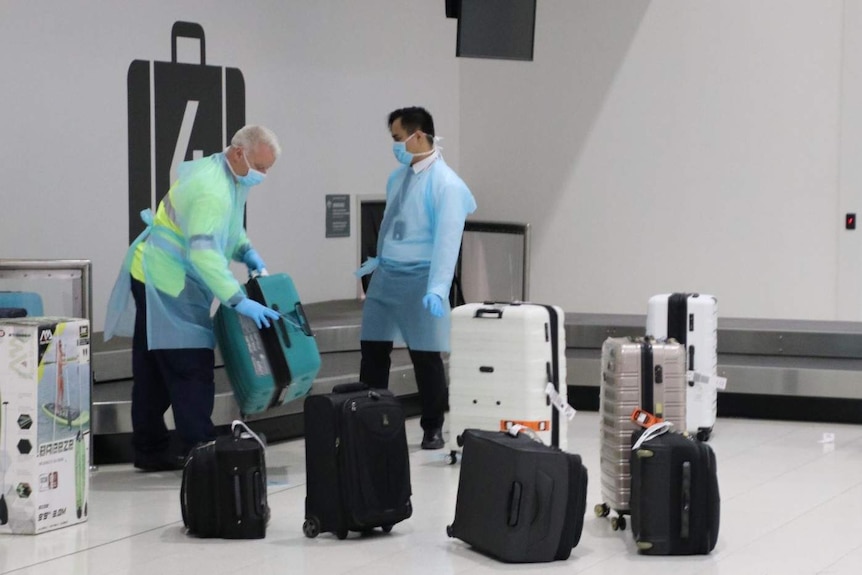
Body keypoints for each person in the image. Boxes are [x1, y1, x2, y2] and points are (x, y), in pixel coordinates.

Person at [105, 125, 282, 471]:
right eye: (260, 167)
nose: (262, 176)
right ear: (238, 152)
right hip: (169, 279)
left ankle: (150, 449)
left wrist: (246, 251)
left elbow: (227, 225)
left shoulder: (223, 172)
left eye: (267, 169)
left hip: (152, 272)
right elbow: (204, 253)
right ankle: (202, 451)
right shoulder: (211, 188)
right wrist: (237, 299)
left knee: (154, 367)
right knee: (191, 365)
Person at [356, 107, 477, 450]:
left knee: (426, 356)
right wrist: (376, 262)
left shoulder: (447, 184)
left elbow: (448, 240)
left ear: (418, 135)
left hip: (422, 279)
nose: (394, 146)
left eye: (398, 139)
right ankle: (368, 418)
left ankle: (433, 426)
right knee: (373, 351)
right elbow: (393, 225)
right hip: (387, 277)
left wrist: (438, 288)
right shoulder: (398, 178)